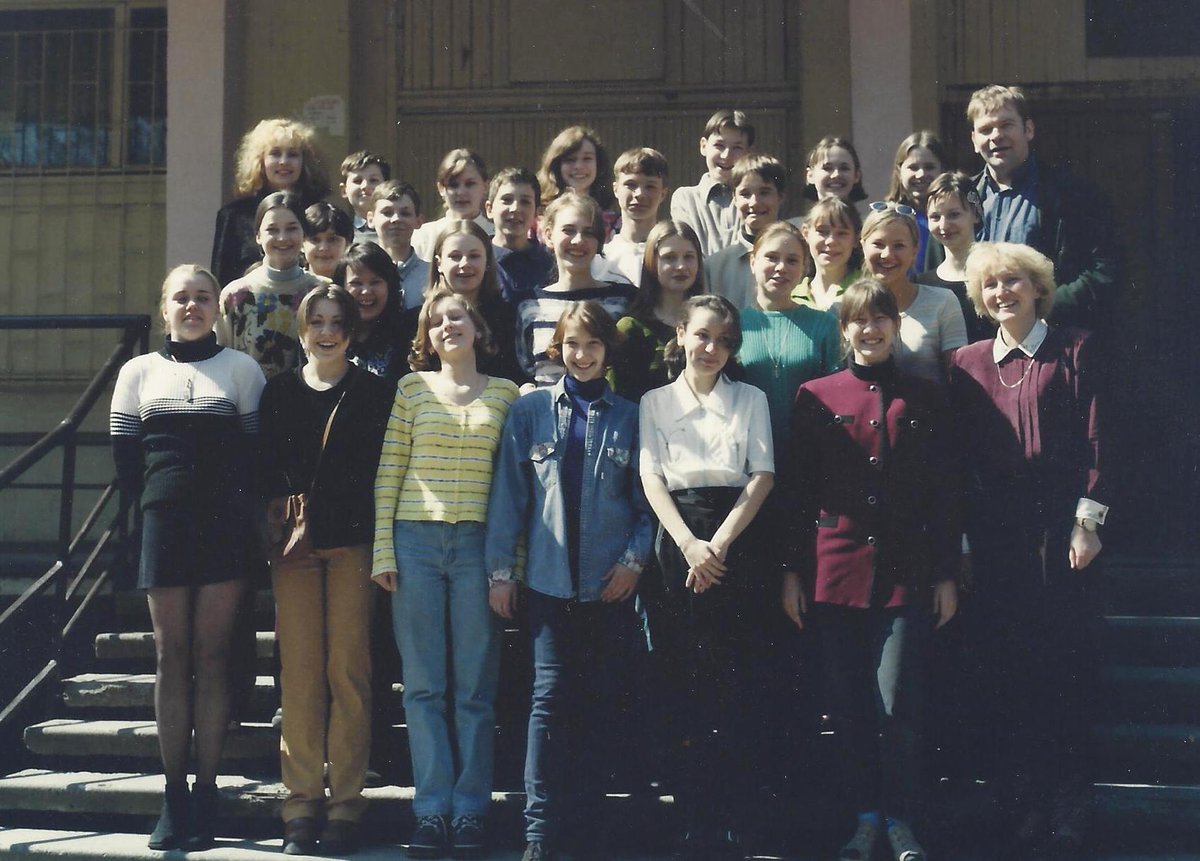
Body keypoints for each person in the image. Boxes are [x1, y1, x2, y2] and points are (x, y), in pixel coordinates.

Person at [781, 279, 958, 861]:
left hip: (906, 573)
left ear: (896, 325)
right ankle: (863, 820)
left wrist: (946, 574)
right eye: (859, 320)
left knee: (898, 705)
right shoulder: (815, 394)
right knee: (851, 706)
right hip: (833, 574)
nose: (871, 329)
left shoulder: (925, 395)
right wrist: (791, 573)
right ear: (845, 329)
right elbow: (798, 491)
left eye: (881, 318)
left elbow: (942, 493)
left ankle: (900, 819)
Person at [949, 242, 1108, 858]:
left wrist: (1087, 521)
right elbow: (957, 464)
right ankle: (1021, 803)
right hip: (996, 544)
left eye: (1013, 281)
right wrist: (962, 539)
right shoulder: (965, 364)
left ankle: (1069, 804)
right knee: (1007, 674)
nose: (1002, 293)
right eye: (990, 286)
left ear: (1038, 287)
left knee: (1065, 671)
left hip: (1064, 539)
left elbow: (1098, 436)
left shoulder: (1074, 349)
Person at [486, 302, 653, 861]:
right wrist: (502, 574)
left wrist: (633, 561)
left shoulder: (631, 416)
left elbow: (648, 500)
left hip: (609, 584)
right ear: (558, 348)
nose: (582, 356)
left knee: (603, 701)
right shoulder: (530, 411)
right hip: (547, 584)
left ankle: (592, 824)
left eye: (593, 345)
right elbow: (509, 498)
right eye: (572, 345)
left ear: (608, 351)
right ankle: (540, 829)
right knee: (548, 700)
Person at [110, 265, 266, 850]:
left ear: (216, 309)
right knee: (171, 654)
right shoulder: (137, 373)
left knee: (214, 652)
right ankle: (174, 795)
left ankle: (207, 788)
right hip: (166, 526)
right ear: (165, 306)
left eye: (204, 297)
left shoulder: (242, 370)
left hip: (225, 529)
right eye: (182, 297)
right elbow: (127, 461)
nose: (193, 306)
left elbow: (254, 456)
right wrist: (159, 507)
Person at [372, 286, 519, 859]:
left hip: (480, 548)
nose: (446, 328)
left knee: (475, 688)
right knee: (425, 685)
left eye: (456, 317)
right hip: (415, 543)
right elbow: (390, 471)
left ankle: (471, 811)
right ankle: (431, 810)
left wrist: (512, 565)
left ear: (477, 328)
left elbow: (514, 490)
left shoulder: (508, 395)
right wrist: (384, 549)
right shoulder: (411, 390)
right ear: (426, 338)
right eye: (435, 323)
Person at [639, 295, 775, 860]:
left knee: (733, 677)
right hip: (679, 543)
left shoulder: (751, 399)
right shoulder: (655, 401)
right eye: (701, 335)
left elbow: (762, 475)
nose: (711, 348)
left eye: (723, 340)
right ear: (681, 335)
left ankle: (730, 816)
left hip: (736, 542)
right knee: (682, 676)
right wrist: (689, 544)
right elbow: (651, 478)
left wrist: (717, 544)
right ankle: (691, 814)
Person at [259, 285, 390, 856]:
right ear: (302, 328)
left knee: (349, 673)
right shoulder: (279, 392)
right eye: (317, 321)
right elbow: (262, 468)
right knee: (300, 675)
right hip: (294, 549)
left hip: (353, 544)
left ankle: (345, 804)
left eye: (338, 321)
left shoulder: (374, 392)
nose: (327, 331)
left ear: (351, 330)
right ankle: (301, 803)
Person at [967, 84, 1122, 332]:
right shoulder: (963, 198)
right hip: (981, 341)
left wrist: (1042, 310)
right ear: (974, 140)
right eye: (985, 129)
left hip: (1053, 337)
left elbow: (1104, 269)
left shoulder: (1073, 194)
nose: (996, 136)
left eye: (1006, 125)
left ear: (1028, 129)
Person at [513, 191, 637, 385]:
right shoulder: (529, 305)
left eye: (588, 232)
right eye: (568, 230)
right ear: (548, 236)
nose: (578, 240)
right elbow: (524, 371)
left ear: (599, 241)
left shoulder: (624, 299)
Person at [738, 221, 841, 447]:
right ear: (753, 262)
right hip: (747, 451)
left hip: (809, 453)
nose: (781, 267)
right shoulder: (734, 324)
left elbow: (837, 396)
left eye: (792, 260)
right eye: (772, 257)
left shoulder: (824, 324)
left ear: (804, 268)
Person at [214, 191, 327, 381]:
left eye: (291, 228)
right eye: (272, 229)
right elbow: (220, 359)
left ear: (304, 233)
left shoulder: (321, 291)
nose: (282, 238)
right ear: (257, 235)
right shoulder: (235, 295)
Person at [399, 220, 524, 384]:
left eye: (474, 256)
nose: (465, 264)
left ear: (487, 262)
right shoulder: (415, 321)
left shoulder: (509, 318)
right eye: (455, 256)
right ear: (439, 264)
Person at [211, 118, 329, 286]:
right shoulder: (233, 216)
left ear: (305, 161)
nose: (284, 161)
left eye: (293, 154)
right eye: (275, 153)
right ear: (260, 161)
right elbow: (220, 278)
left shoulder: (319, 212)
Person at [860, 202, 966, 385]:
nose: (887, 254)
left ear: (915, 249)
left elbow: (958, 378)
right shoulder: (843, 307)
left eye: (899, 246)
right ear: (863, 246)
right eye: (878, 244)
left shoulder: (943, 302)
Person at [607, 220, 705, 402]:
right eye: (670, 257)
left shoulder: (711, 325)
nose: (681, 266)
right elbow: (618, 400)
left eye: (689, 257)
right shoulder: (631, 328)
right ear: (652, 262)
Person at [916, 171, 993, 343]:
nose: (944, 225)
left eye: (954, 215)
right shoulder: (922, 285)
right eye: (935, 217)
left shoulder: (996, 275)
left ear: (975, 214)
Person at [704, 153, 787, 310]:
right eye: (745, 194)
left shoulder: (796, 259)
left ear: (780, 197)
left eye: (764, 192)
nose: (754, 203)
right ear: (734, 198)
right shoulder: (714, 268)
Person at [670, 108, 755, 256]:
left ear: (748, 153)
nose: (726, 155)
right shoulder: (685, 198)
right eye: (719, 145)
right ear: (703, 146)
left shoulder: (755, 200)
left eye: (737, 148)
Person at [339, 241, 410, 386]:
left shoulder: (408, 337)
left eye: (375, 282)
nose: (366, 291)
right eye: (356, 283)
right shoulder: (331, 335)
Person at [602, 147, 671, 285]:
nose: (639, 194)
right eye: (630, 185)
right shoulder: (601, 258)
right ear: (615, 189)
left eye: (650, 186)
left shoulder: (673, 256)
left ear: (663, 194)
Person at [412, 149, 494, 261]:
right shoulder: (424, 237)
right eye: (453, 185)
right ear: (441, 188)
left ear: (485, 186)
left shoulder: (495, 236)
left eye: (470, 184)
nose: (461, 192)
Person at [884, 131, 948, 274]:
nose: (921, 174)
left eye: (929, 167)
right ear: (899, 171)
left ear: (942, 170)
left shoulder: (951, 218)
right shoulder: (887, 217)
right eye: (913, 167)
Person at [486, 166, 554, 301]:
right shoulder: (478, 259)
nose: (515, 208)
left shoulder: (550, 264)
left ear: (536, 212)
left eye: (525, 202)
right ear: (489, 209)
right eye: (507, 200)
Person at [537, 125, 618, 236]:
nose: (579, 166)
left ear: (598, 164)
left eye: (587, 159)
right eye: (570, 160)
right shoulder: (536, 221)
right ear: (557, 165)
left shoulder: (615, 223)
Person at [792, 196, 863, 311]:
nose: (831, 241)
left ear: (856, 239)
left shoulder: (867, 288)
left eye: (842, 233)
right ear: (805, 233)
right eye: (822, 232)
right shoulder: (792, 296)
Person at [368, 179, 429, 310]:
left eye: (405, 213)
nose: (396, 219)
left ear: (419, 221)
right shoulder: (360, 273)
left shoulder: (431, 276)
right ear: (370, 219)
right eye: (387, 213)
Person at [340, 149, 391, 242]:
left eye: (373, 180)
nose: (365, 186)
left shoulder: (397, 232)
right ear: (344, 190)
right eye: (357, 181)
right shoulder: (339, 234)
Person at [803, 136, 867, 204]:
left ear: (857, 176)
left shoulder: (876, 215)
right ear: (810, 175)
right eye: (827, 168)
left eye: (844, 168)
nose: (836, 175)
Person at [302, 201, 354, 281]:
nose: (323, 248)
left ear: (347, 244)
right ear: (301, 244)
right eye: (315, 239)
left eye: (332, 239)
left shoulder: (357, 289)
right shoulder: (290, 287)